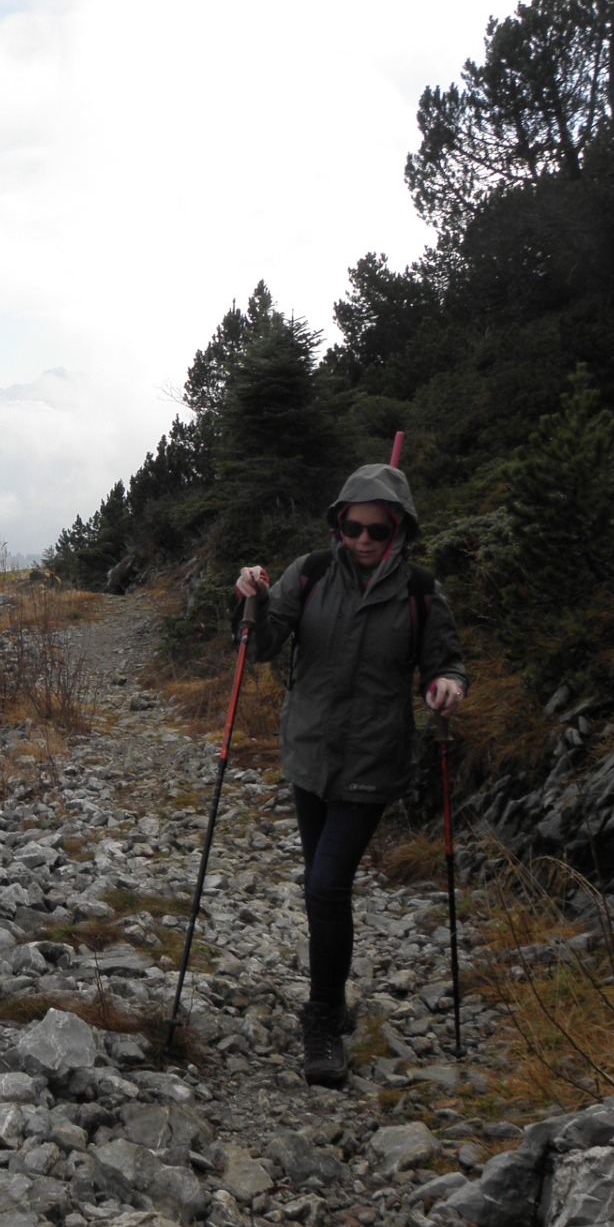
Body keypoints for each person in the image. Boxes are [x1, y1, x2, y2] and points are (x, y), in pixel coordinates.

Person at [234, 463, 466, 1087]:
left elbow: (444, 660)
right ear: (339, 523)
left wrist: (446, 684)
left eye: (378, 530)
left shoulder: (419, 590)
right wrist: (252, 600)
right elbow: (258, 647)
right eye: (354, 526)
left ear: (400, 531)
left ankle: (322, 1020)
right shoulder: (308, 573)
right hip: (309, 755)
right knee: (321, 885)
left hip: (374, 757)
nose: (364, 539)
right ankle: (332, 999)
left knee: (326, 887)